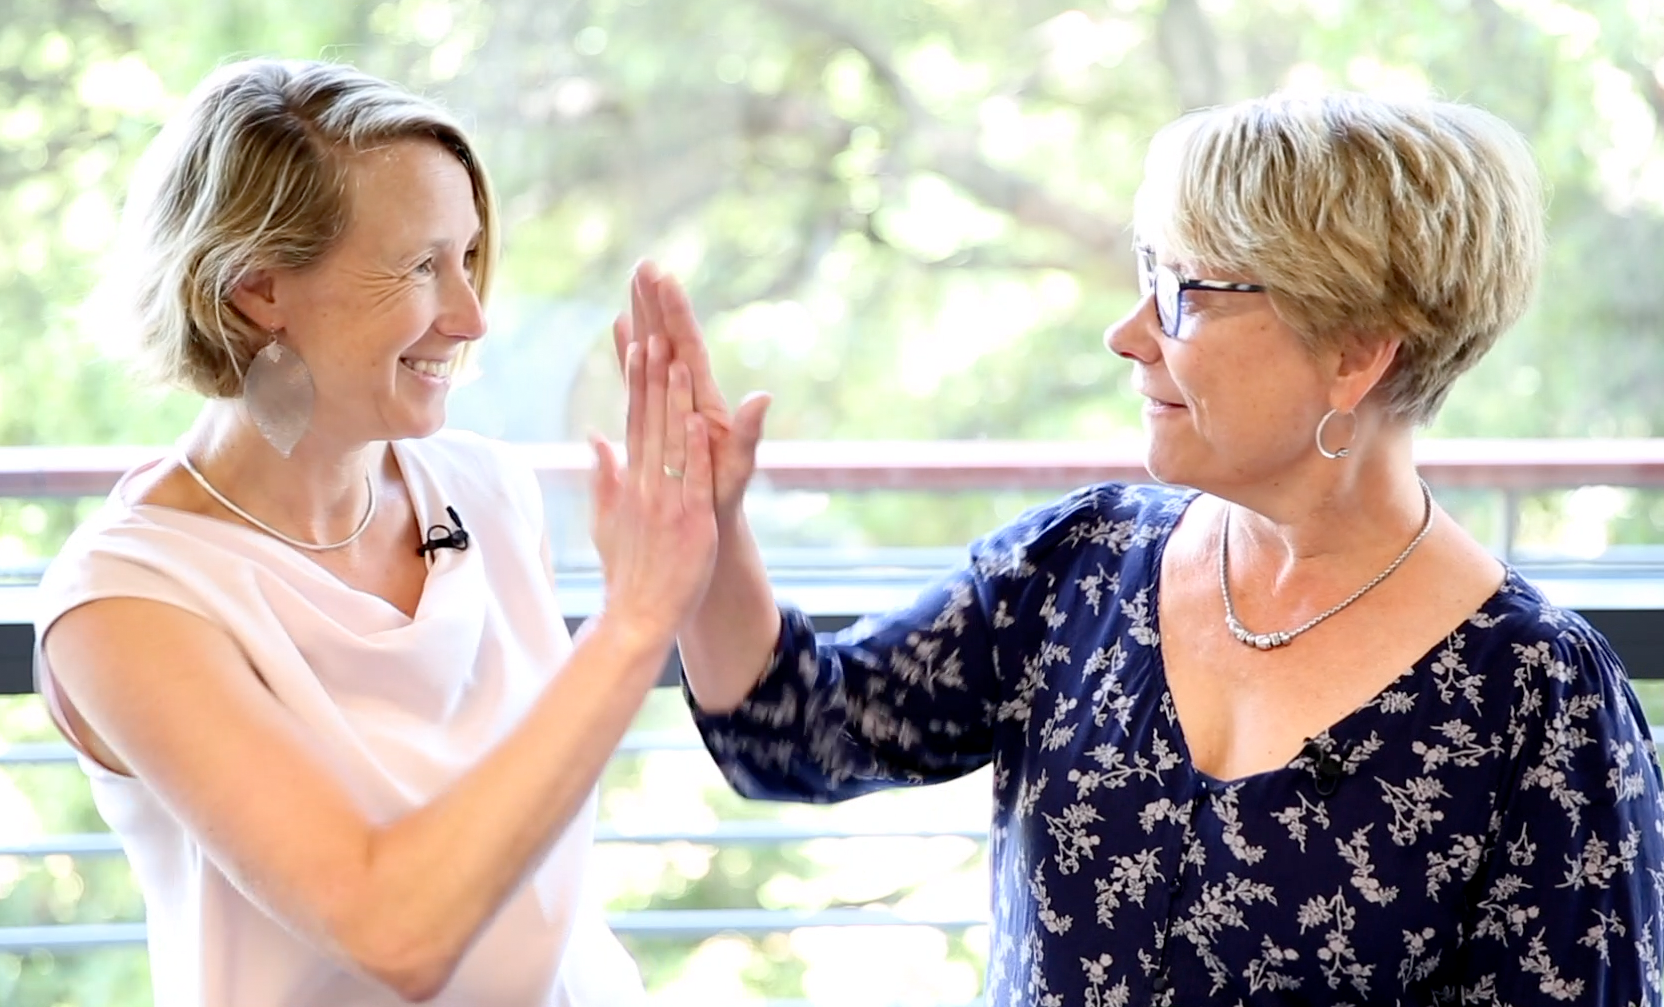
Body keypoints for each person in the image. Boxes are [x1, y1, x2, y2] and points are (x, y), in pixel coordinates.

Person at [621, 91, 1664, 1004]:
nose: (1126, 331)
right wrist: (708, 535)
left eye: (1185, 292)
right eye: (1143, 273)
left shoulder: (1537, 698)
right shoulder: (1079, 561)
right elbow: (797, 733)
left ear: (1355, 351)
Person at [33, 58, 719, 1007]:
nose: (472, 315)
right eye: (420, 266)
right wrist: (633, 624)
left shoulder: (485, 487)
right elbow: (395, 932)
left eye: (469, 258)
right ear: (256, 292)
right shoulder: (122, 603)